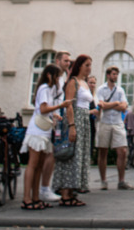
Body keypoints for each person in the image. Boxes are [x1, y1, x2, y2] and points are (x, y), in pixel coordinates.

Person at [21, 64, 68, 210]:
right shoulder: (43, 88)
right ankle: (26, 198)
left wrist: (54, 113)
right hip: (37, 131)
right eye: (57, 76)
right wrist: (59, 107)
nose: (58, 79)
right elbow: (43, 109)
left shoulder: (49, 90)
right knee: (33, 164)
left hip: (45, 130)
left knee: (39, 166)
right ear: (49, 75)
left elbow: (46, 109)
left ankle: (35, 197)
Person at [52, 54, 93, 205]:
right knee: (70, 155)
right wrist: (72, 126)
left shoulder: (85, 83)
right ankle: (65, 194)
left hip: (84, 121)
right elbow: (69, 104)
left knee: (78, 155)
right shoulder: (73, 82)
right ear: (80, 66)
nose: (89, 68)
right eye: (87, 65)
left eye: (90, 65)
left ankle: (72, 191)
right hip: (75, 119)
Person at [40, 51, 71, 202]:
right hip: (48, 121)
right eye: (66, 61)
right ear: (57, 61)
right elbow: (47, 102)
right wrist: (56, 112)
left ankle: (47, 187)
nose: (68, 63)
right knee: (49, 155)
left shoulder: (62, 78)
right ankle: (44, 188)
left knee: (52, 154)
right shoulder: (51, 81)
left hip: (55, 119)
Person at [96, 65, 133, 190]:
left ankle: (121, 181)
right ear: (108, 75)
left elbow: (124, 107)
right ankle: (103, 180)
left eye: (116, 74)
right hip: (105, 122)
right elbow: (101, 105)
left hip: (117, 122)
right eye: (113, 74)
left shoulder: (120, 90)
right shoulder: (101, 89)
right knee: (103, 151)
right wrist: (116, 103)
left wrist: (111, 104)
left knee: (122, 150)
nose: (115, 76)